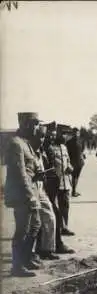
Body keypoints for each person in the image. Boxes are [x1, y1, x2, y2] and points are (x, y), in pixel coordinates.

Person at [4, 112, 44, 277]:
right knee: (22, 230)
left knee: (35, 225)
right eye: (34, 124)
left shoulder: (25, 143)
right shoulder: (16, 144)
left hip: (30, 190)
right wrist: (30, 196)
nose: (37, 127)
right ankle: (17, 266)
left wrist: (37, 174)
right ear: (26, 124)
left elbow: (28, 170)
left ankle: (26, 258)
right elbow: (19, 173)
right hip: (23, 195)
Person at [42, 123, 76, 254]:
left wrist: (70, 167)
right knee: (54, 208)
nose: (65, 136)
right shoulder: (50, 147)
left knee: (65, 205)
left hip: (65, 180)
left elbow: (67, 161)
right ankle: (56, 233)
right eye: (63, 134)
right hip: (54, 182)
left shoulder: (64, 147)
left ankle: (64, 227)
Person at [31, 125, 60, 261]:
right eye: (40, 136)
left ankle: (47, 249)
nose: (42, 140)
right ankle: (29, 254)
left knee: (50, 217)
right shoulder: (27, 150)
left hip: (41, 188)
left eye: (43, 137)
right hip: (30, 188)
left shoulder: (40, 151)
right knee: (32, 223)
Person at [66, 127, 86, 197]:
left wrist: (82, 155)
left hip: (79, 161)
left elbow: (82, 150)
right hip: (74, 161)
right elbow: (68, 152)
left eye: (77, 133)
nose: (76, 134)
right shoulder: (69, 142)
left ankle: (74, 191)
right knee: (74, 176)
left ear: (79, 133)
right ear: (72, 133)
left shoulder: (81, 141)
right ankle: (73, 191)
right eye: (75, 133)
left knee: (76, 176)